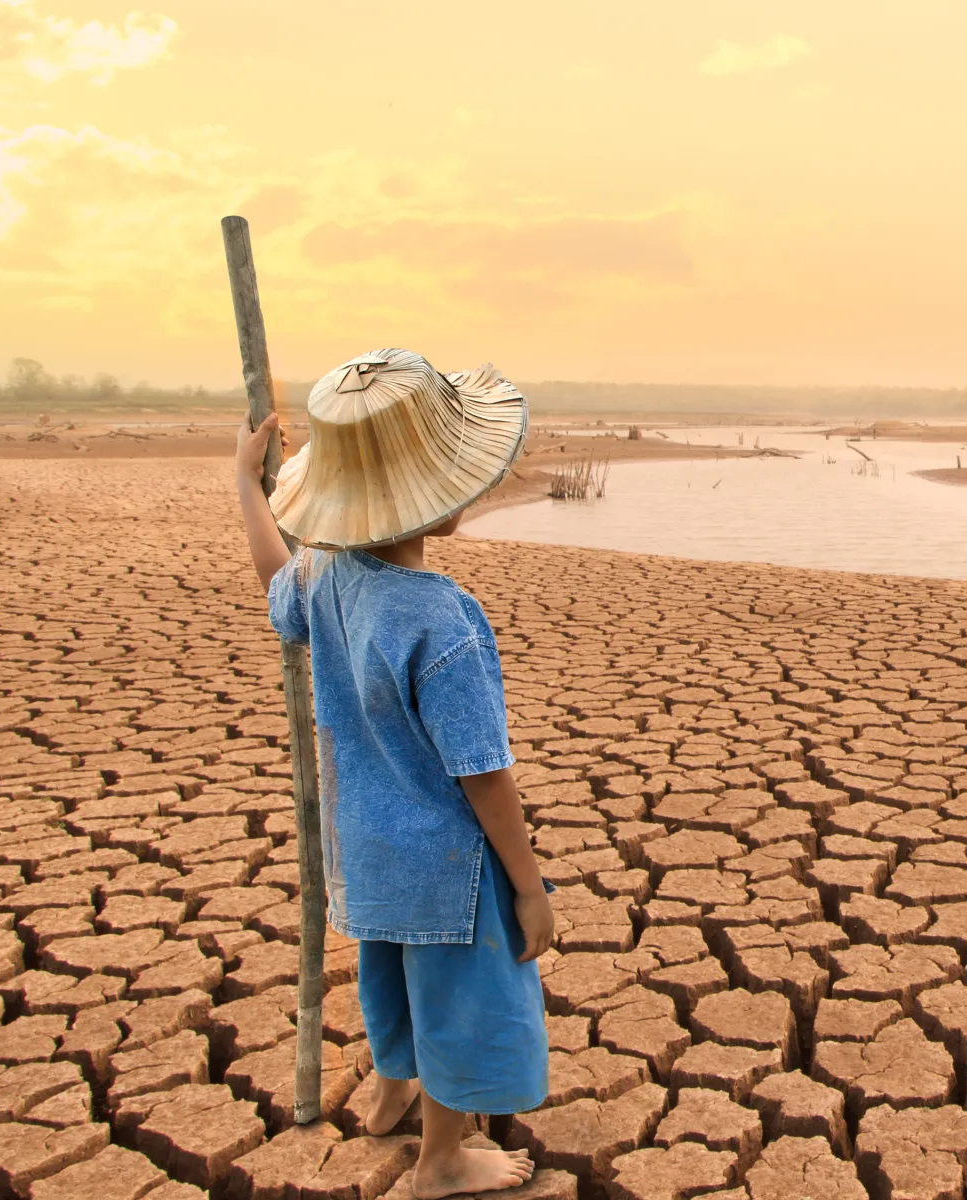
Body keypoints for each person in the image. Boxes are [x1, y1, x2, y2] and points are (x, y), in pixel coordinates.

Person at [233, 349, 551, 1198]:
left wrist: (247, 487)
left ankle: (389, 1092)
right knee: (457, 1003)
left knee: (390, 980)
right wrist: (527, 885)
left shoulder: (329, 580)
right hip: (446, 864)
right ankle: (440, 1161)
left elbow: (277, 579)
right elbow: (483, 773)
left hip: (363, 848)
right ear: (443, 499)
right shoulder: (440, 619)